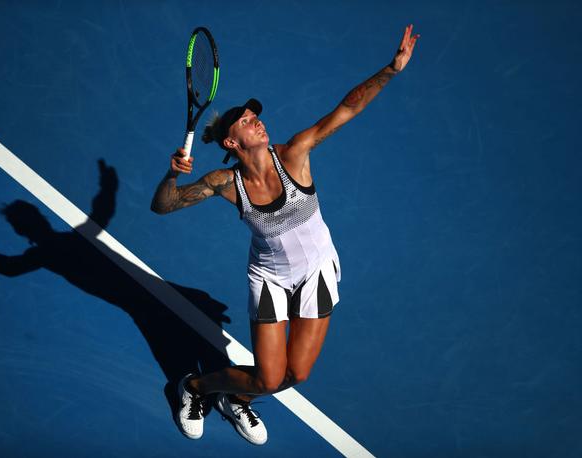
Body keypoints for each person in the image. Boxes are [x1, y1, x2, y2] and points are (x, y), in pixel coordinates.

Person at [151, 25, 419, 445]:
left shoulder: (295, 153)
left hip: (317, 272)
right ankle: (194, 388)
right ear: (231, 141)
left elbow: (347, 109)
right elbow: (164, 205)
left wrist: (391, 69)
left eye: (256, 117)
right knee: (270, 375)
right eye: (247, 121)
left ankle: (236, 398)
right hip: (271, 279)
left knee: (296, 375)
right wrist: (171, 172)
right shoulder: (225, 182)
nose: (257, 122)